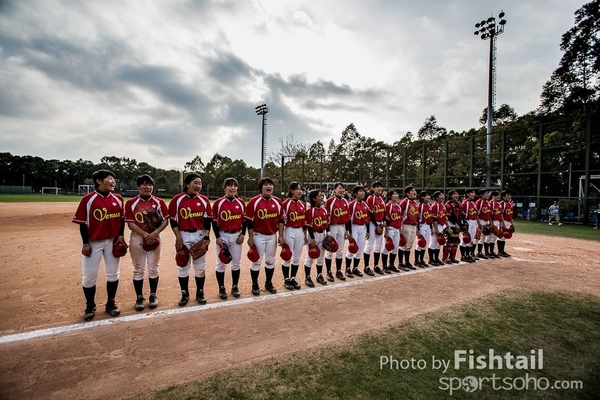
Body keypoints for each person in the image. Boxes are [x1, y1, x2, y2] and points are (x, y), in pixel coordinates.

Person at [72, 169, 126, 321]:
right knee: (89, 277)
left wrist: (121, 235)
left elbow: (121, 219)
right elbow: (82, 223)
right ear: (99, 181)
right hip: (94, 243)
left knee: (113, 274)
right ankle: (90, 305)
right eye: (109, 178)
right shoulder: (88, 200)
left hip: (113, 242)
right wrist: (85, 243)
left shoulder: (119, 199)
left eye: (113, 179)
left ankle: (111, 303)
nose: (113, 181)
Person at [124, 174, 169, 311]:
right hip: (138, 238)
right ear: (138, 187)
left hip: (155, 237)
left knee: (153, 267)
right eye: (144, 184)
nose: (148, 187)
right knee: (138, 269)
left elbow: (165, 220)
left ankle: (153, 295)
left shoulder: (159, 202)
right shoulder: (131, 203)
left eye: (150, 184)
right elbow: (130, 223)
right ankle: (139, 297)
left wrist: (154, 234)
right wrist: (144, 234)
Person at [169, 173, 213, 306]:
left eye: (200, 183)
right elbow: (173, 221)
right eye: (195, 182)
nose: (198, 185)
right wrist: (178, 238)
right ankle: (184, 293)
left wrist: (206, 237)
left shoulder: (204, 200)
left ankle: (200, 293)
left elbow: (207, 220)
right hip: (183, 235)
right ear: (188, 184)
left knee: (200, 265)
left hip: (199, 234)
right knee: (182, 265)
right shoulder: (177, 200)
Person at [245, 177, 284, 296]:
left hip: (272, 235)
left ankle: (268, 282)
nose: (269, 186)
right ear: (261, 188)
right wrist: (250, 237)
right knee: (256, 260)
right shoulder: (254, 201)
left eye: (271, 184)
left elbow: (281, 220)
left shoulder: (277, 201)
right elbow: (249, 221)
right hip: (258, 235)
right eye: (266, 185)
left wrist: (280, 236)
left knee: (270, 261)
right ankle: (255, 284)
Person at [212, 177, 246, 299]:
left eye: (234, 186)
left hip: (237, 235)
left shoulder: (241, 202)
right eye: (230, 185)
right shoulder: (218, 203)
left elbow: (245, 220)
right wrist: (218, 237)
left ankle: (235, 286)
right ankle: (221, 288)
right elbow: (214, 221)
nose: (232, 188)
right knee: (221, 263)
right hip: (223, 235)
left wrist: (243, 234)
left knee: (236, 263)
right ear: (225, 188)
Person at [281, 182, 307, 290]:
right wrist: (281, 236)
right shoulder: (285, 203)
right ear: (291, 191)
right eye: (297, 189)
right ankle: (286, 279)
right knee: (287, 257)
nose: (300, 191)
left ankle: (292, 278)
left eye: (301, 189)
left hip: (300, 231)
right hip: (289, 230)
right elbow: (282, 221)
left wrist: (305, 235)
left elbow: (304, 221)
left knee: (296, 258)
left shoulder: (302, 204)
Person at [324, 182, 351, 282]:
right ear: (334, 190)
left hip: (342, 227)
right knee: (330, 250)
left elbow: (347, 217)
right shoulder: (329, 201)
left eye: (343, 188)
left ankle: (338, 271)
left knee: (340, 251)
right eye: (339, 188)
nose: (342, 190)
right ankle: (328, 272)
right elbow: (326, 217)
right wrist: (328, 231)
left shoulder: (345, 201)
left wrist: (347, 230)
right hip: (333, 227)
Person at [304, 189, 329, 286]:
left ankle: (319, 275)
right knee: (310, 257)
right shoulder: (310, 210)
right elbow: (309, 226)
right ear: (314, 199)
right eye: (319, 196)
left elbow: (327, 223)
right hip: (313, 235)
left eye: (322, 196)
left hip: (322, 234)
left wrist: (328, 234)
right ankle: (307, 277)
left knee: (321, 257)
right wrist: (312, 239)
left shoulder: (324, 209)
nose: (322, 197)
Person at [345, 185, 371, 277]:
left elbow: (367, 218)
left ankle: (355, 268)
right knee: (352, 248)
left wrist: (368, 230)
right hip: (354, 227)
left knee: (359, 249)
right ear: (355, 194)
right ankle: (347, 268)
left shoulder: (365, 204)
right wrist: (350, 232)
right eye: (360, 191)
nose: (363, 193)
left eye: (363, 191)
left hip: (363, 227)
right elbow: (348, 219)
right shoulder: (352, 204)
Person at [364, 181, 386, 275]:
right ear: (373, 188)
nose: (380, 188)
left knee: (378, 246)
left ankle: (376, 266)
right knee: (370, 244)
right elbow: (370, 214)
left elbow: (383, 212)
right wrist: (377, 226)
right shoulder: (371, 198)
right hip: (372, 223)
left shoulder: (381, 199)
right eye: (377, 187)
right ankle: (366, 266)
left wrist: (383, 221)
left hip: (379, 223)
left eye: (381, 187)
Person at [399, 186, 419, 269]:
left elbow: (417, 216)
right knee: (403, 245)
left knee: (410, 245)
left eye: (415, 190)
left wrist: (417, 228)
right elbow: (400, 214)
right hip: (406, 225)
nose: (415, 192)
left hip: (414, 226)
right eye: (412, 191)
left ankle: (407, 262)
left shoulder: (415, 203)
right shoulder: (404, 202)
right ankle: (400, 263)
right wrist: (400, 227)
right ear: (407, 193)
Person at [382, 189, 402, 273]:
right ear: (390, 196)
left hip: (397, 229)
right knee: (387, 247)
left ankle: (391, 265)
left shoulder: (398, 206)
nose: (396, 195)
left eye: (397, 194)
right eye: (394, 194)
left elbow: (400, 219)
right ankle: (384, 266)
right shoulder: (388, 206)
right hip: (390, 228)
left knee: (395, 248)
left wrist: (400, 230)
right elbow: (386, 220)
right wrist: (386, 231)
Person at [414, 190, 433, 267]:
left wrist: (431, 228)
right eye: (427, 195)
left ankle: (421, 260)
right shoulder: (420, 206)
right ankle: (416, 261)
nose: (429, 197)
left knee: (425, 244)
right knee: (420, 243)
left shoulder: (429, 206)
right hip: (422, 225)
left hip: (428, 226)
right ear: (422, 197)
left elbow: (430, 218)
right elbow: (417, 218)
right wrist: (417, 229)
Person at [459, 188, 478, 263]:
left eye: (474, 192)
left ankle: (468, 255)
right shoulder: (464, 203)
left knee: (471, 240)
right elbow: (461, 214)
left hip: (473, 222)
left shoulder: (473, 203)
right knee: (465, 239)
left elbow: (475, 214)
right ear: (467, 194)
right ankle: (463, 256)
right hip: (467, 221)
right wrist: (463, 224)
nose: (474, 194)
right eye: (472, 192)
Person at [428, 191, 446, 266]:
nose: (443, 196)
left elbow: (445, 217)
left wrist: (447, 226)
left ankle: (436, 258)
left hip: (442, 225)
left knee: (439, 243)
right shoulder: (435, 205)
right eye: (441, 195)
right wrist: (436, 229)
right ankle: (431, 259)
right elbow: (434, 218)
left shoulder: (442, 205)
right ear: (436, 198)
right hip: (436, 225)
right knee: (433, 243)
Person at [443, 190, 461, 264]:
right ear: (450, 196)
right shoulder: (448, 204)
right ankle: (445, 257)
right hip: (451, 224)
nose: (457, 195)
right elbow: (448, 216)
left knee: (456, 242)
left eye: (457, 193)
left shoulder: (458, 204)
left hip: (457, 224)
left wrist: (460, 224)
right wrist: (455, 223)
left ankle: (452, 257)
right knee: (449, 241)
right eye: (454, 194)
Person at [475, 189, 492, 259]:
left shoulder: (487, 202)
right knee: (477, 237)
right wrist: (478, 223)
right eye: (486, 193)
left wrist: (490, 222)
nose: (488, 195)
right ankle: (473, 253)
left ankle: (479, 252)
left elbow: (489, 213)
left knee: (483, 237)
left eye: (488, 193)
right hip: (480, 221)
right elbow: (476, 213)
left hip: (486, 221)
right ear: (481, 195)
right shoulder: (479, 202)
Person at [497, 190, 514, 257]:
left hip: (508, 222)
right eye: (508, 195)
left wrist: (511, 223)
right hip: (503, 222)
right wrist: (502, 223)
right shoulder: (501, 203)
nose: (509, 196)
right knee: (501, 236)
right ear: (503, 197)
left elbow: (510, 215)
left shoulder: (510, 204)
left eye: (510, 195)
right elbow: (501, 214)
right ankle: (500, 251)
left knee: (504, 237)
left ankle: (502, 251)